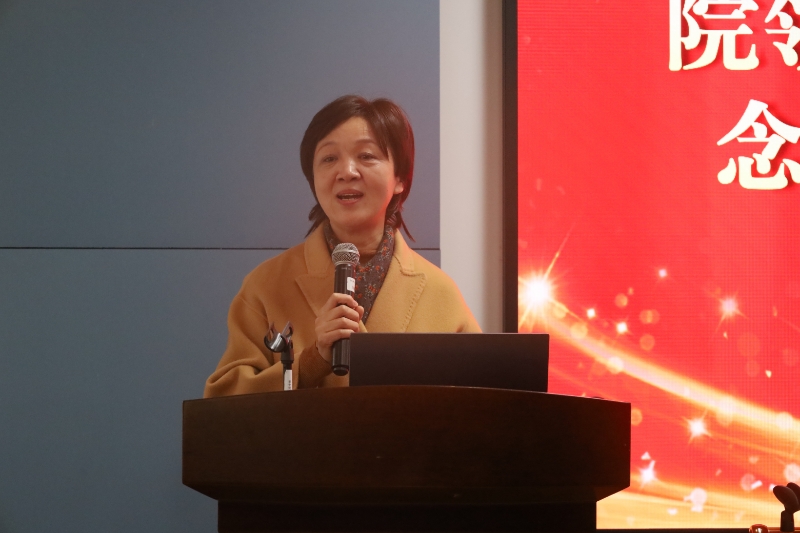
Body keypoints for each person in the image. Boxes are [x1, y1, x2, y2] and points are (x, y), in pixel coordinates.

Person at [204, 95, 480, 397]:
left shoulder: (441, 293)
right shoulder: (265, 285)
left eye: (367, 156)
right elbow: (222, 404)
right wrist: (312, 362)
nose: (347, 171)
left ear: (400, 177)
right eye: (329, 158)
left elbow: (480, 405)